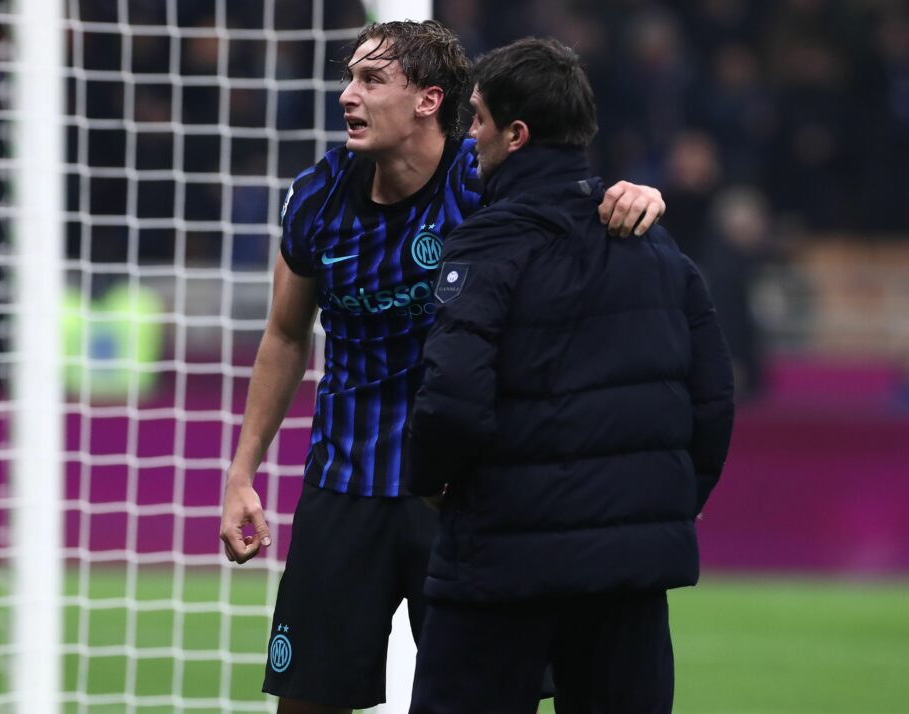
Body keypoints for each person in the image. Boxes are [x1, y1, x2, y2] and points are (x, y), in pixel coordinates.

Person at [218, 20, 668, 714]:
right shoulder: (317, 197)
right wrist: (242, 472)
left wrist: (640, 195)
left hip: (463, 491)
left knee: (488, 700)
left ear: (429, 100)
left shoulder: (485, 181)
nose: (348, 96)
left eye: (371, 80)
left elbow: (582, 203)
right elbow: (284, 335)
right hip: (346, 483)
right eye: (350, 78)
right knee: (305, 702)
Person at [406, 38, 735, 714]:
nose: (469, 136)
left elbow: (453, 402)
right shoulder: (655, 244)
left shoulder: (489, 246)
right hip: (629, 576)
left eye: (477, 119)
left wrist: (434, 484)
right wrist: (667, 499)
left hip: (503, 565)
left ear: (516, 134)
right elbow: (714, 400)